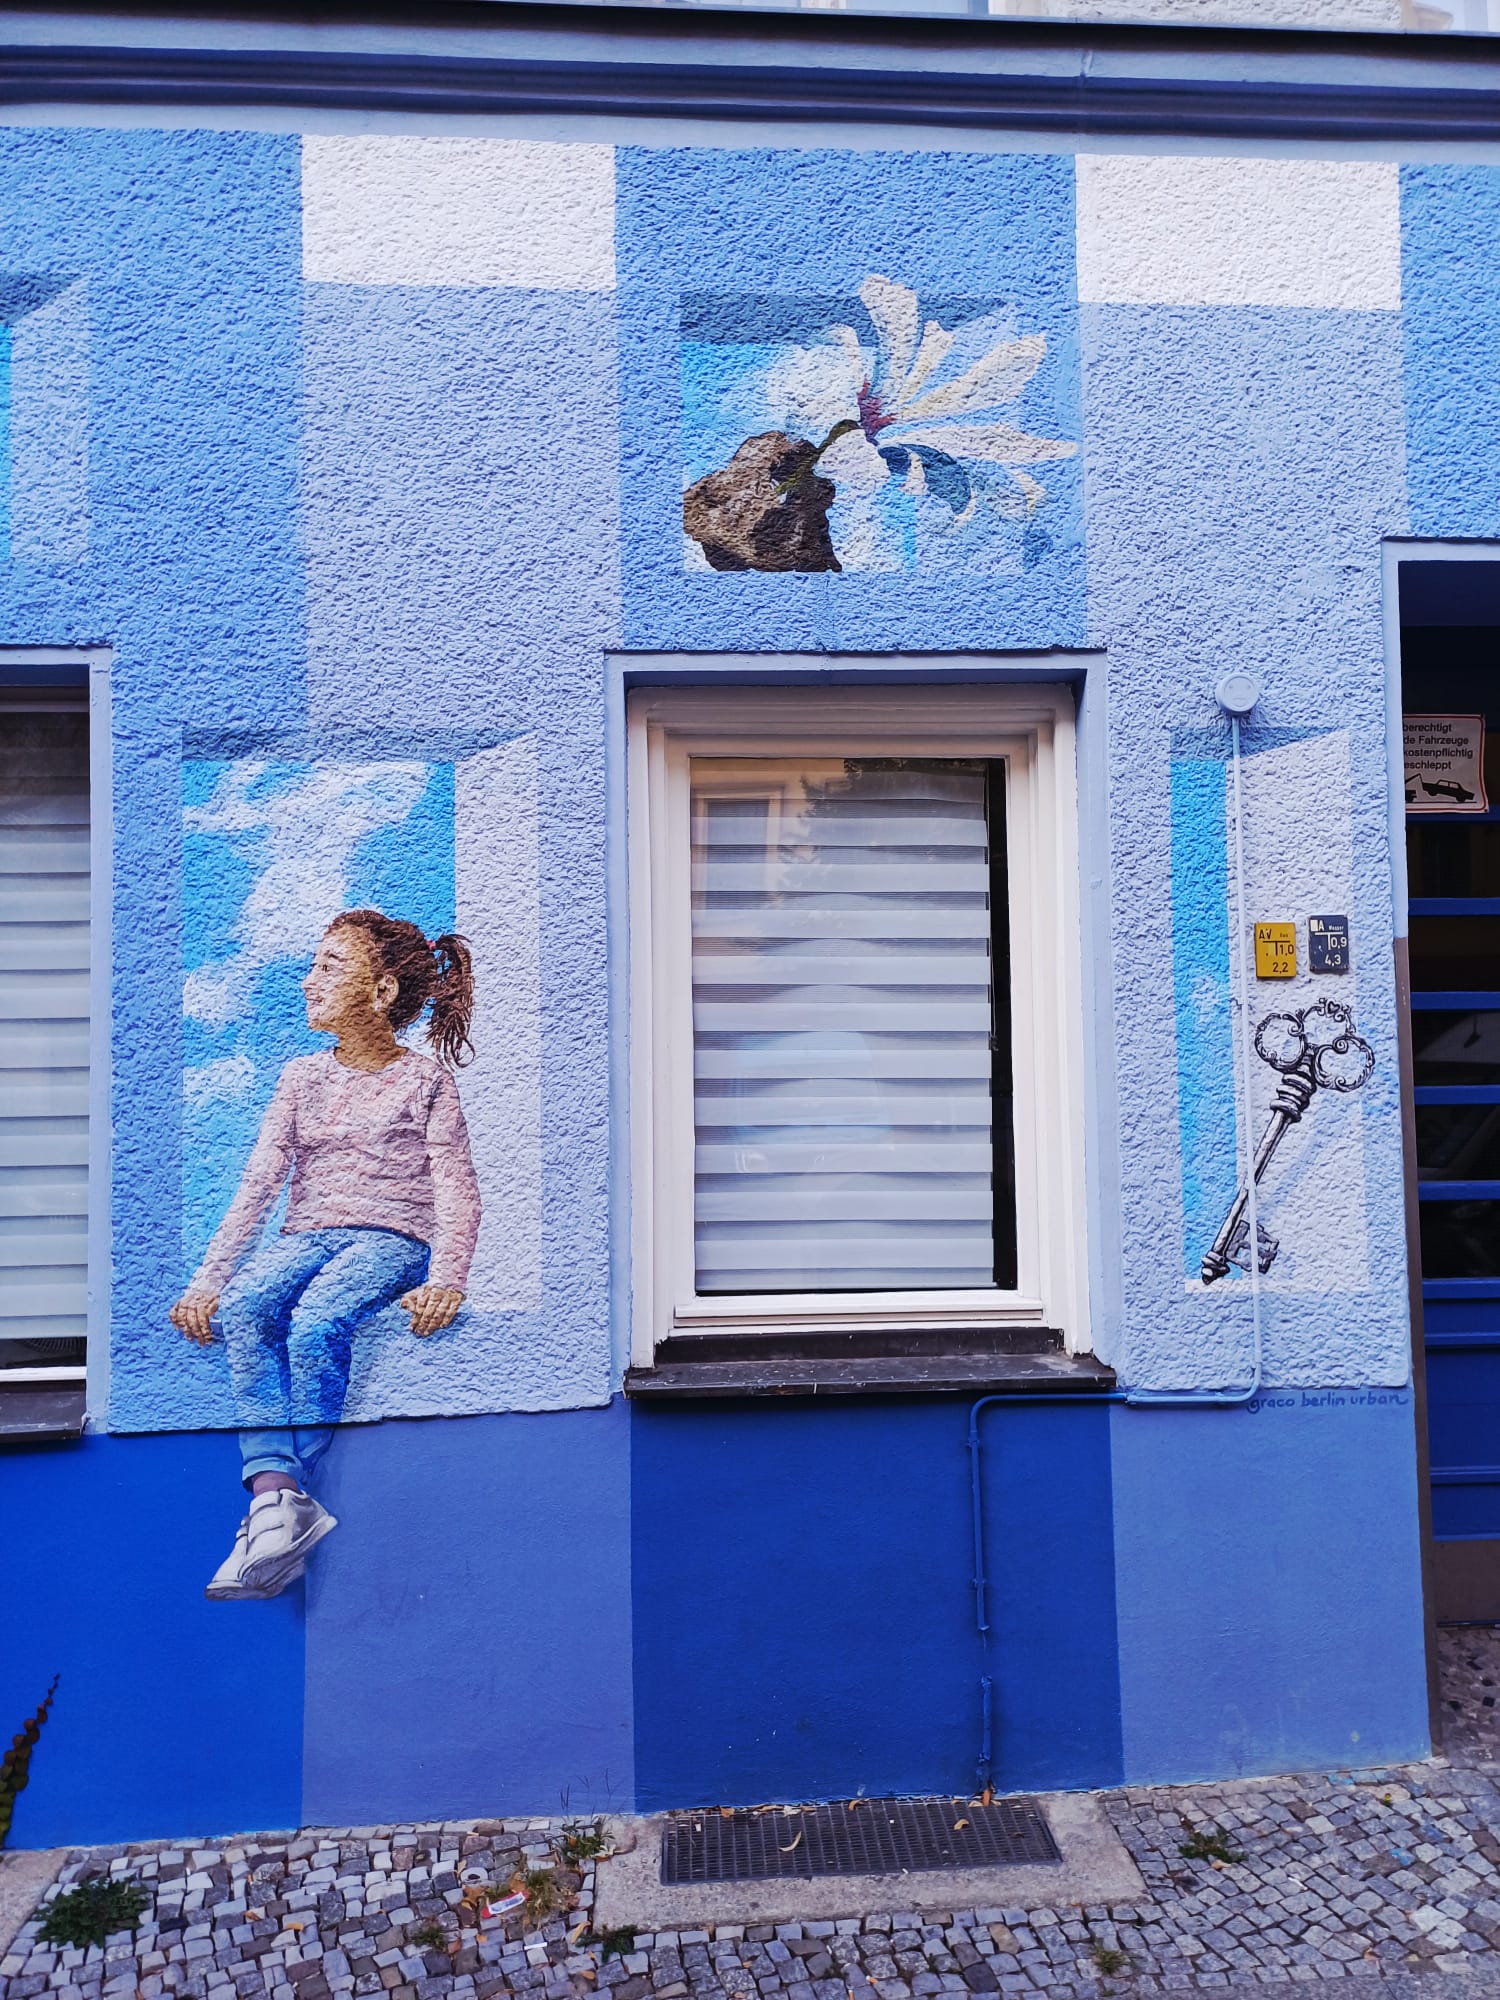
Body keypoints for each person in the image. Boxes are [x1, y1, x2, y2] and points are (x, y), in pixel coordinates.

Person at [171, 909, 481, 1601]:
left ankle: (288, 1492)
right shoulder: (301, 1079)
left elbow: (456, 1187)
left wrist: (447, 1279)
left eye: (330, 967)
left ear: (382, 992)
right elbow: (258, 1186)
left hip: (391, 1240)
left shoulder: (425, 1081)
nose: (309, 981)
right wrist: (208, 1282)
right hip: (306, 1238)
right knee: (247, 1308)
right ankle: (274, 1493)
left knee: (316, 1321)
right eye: (313, 965)